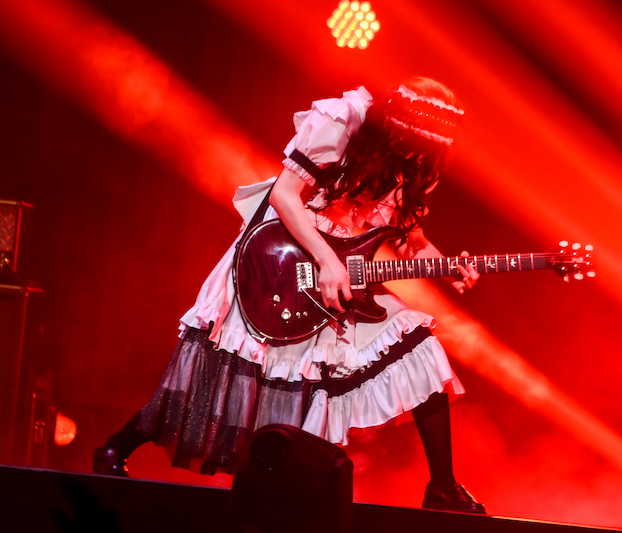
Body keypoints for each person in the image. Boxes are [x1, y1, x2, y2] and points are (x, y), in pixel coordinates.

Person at [92, 77, 485, 514]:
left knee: (418, 343)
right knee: (215, 375)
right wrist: (326, 260)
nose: (420, 152)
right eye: (417, 141)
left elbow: (410, 238)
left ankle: (442, 487)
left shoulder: (409, 165)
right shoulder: (344, 119)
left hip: (339, 276)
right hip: (280, 259)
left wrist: (448, 266)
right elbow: (284, 194)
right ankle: (116, 447)